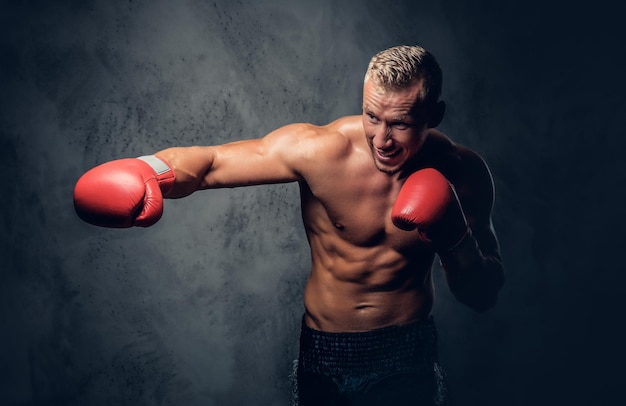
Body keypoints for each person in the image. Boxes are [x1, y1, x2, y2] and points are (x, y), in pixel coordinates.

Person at [73, 45, 505, 405]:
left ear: (435, 114)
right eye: (372, 117)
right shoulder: (322, 151)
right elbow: (212, 163)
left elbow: (483, 296)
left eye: (401, 124)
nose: (382, 139)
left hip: (405, 356)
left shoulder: (463, 174)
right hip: (322, 353)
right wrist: (148, 170)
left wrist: (455, 240)